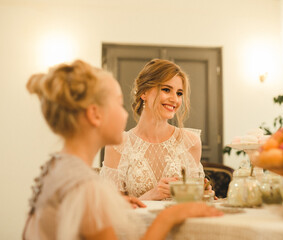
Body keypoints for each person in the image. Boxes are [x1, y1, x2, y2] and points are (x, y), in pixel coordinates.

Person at [23, 60, 222, 240]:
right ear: (95, 114)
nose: (126, 112)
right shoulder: (87, 187)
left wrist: (115, 206)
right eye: (118, 103)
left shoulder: (58, 167)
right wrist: (169, 216)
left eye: (179, 93)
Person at [100, 59, 211, 200]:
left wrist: (204, 194)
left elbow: (196, 200)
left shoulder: (191, 142)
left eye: (179, 93)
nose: (175, 100)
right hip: (138, 222)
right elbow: (111, 209)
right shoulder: (118, 145)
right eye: (166, 90)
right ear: (144, 93)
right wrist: (151, 195)